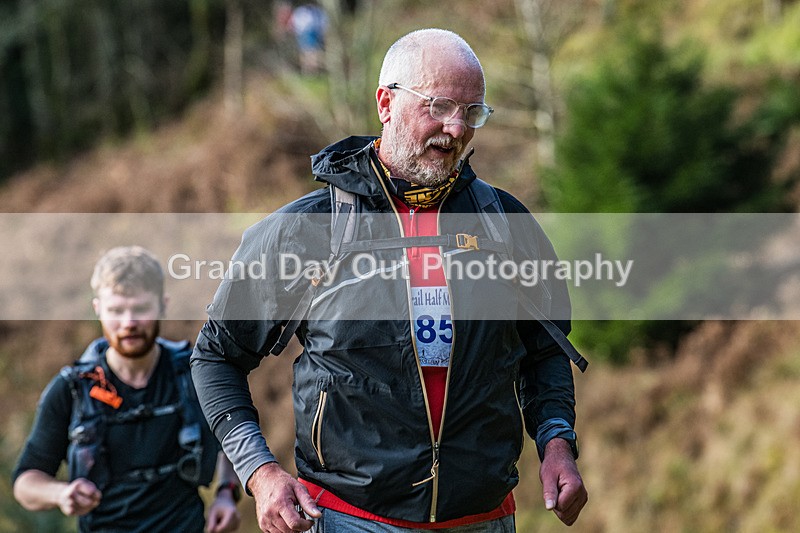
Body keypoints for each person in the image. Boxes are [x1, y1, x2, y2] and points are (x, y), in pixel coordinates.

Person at [191, 28, 588, 532]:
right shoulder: (304, 231)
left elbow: (547, 350)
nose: (456, 128)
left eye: (472, 113)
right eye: (439, 106)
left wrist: (557, 441)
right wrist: (260, 472)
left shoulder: (505, 223)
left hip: (484, 519)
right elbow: (215, 358)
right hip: (348, 519)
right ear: (386, 102)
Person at [12, 246, 242, 533]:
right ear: (98, 310)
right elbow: (25, 483)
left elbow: (234, 435)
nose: (128, 323)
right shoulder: (72, 388)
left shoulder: (196, 372)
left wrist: (225, 493)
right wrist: (61, 494)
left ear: (163, 305)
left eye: (141, 309)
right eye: (116, 310)